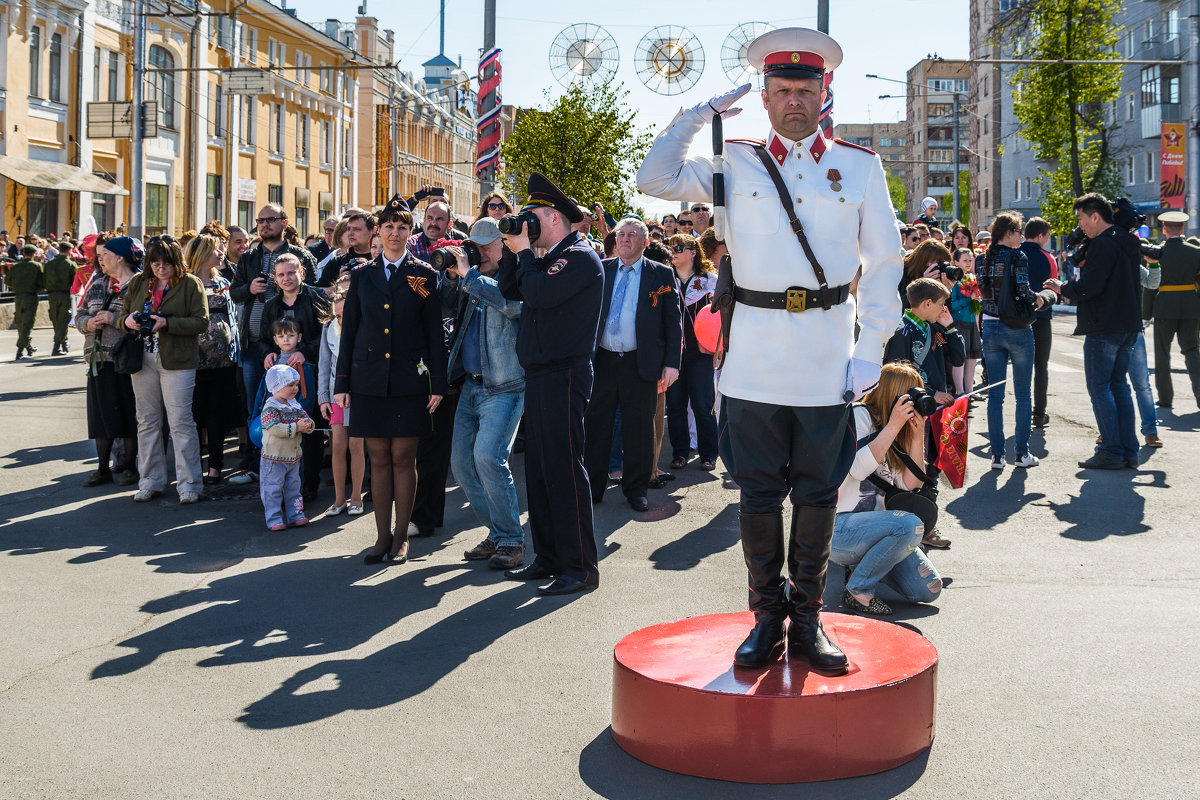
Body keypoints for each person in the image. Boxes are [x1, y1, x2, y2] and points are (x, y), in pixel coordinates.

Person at [637, 27, 902, 673]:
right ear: (763, 95)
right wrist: (698, 116)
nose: (793, 100)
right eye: (781, 90)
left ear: (823, 92)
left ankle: (808, 620)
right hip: (753, 359)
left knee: (817, 494)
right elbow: (656, 176)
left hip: (824, 359)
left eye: (804, 89)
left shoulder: (860, 166)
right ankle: (765, 618)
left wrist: (870, 350)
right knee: (756, 497)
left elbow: (886, 260)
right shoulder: (736, 163)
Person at [497, 172, 604, 595]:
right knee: (539, 472)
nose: (528, 225)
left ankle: (579, 567)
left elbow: (538, 294)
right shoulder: (543, 257)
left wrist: (525, 253)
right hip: (540, 376)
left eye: (533, 217)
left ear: (554, 218)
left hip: (564, 375)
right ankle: (548, 557)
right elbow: (511, 288)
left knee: (562, 470)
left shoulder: (578, 256)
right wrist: (513, 250)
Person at [334, 194, 447, 566]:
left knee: (403, 457)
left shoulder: (424, 274)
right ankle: (381, 537)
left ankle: (401, 538)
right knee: (377, 457)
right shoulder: (362, 275)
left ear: (409, 233)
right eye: (388, 227)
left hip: (409, 381)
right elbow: (349, 332)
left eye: (402, 228)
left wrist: (439, 384)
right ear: (377, 233)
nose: (395, 233)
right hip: (368, 380)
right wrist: (342, 383)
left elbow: (434, 335)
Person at [439, 218, 527, 570]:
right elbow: (445, 309)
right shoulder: (470, 276)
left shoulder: (518, 274)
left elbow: (511, 304)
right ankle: (497, 531)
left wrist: (468, 276)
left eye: (487, 245)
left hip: (505, 387)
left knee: (489, 459)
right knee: (462, 464)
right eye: (474, 245)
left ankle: (511, 540)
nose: (479, 251)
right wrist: (450, 278)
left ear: (504, 245)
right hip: (471, 385)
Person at [584, 218, 682, 513]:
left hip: (641, 362)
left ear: (645, 242)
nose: (625, 239)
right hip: (603, 360)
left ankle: (637, 489)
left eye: (632, 235)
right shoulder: (603, 268)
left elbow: (673, 323)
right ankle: (593, 487)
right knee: (596, 425)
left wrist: (671, 365)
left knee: (639, 429)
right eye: (621, 235)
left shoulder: (662, 274)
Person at [833, 362, 943, 615]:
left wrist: (917, 435)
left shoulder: (899, 430)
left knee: (929, 589)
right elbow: (857, 470)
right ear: (894, 396)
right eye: (912, 395)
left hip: (878, 531)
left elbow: (910, 485)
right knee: (910, 525)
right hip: (838, 529)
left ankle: (865, 567)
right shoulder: (859, 415)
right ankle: (858, 590)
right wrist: (893, 426)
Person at [1045, 193, 1144, 469]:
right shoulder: (1127, 241)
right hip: (1128, 325)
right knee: (1119, 387)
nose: (1081, 225)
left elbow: (1090, 287)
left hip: (1104, 326)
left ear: (1095, 216)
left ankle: (1111, 451)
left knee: (1100, 388)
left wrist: (1060, 288)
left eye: (1081, 218)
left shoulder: (1102, 245)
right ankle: (1128, 450)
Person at [228, 204, 317, 485]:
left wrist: (303, 350)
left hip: (297, 352)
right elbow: (234, 291)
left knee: (299, 409)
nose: (264, 224)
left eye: (270, 219)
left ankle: (300, 476)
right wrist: (248, 289)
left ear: (284, 222)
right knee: (259, 406)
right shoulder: (249, 256)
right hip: (260, 346)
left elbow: (310, 295)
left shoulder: (300, 255)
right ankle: (258, 465)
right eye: (260, 220)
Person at [121, 235, 209, 504]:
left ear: (176, 262)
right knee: (146, 421)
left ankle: (190, 484)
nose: (160, 268)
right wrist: (128, 321)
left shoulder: (190, 284)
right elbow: (123, 315)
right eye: (155, 263)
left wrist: (166, 324)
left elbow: (201, 322)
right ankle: (150, 480)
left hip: (177, 360)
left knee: (180, 422)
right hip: (142, 358)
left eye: (166, 263)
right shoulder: (138, 282)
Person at [978, 213, 1056, 470]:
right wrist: (1043, 296)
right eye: (1019, 231)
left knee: (995, 396)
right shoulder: (1018, 257)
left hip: (989, 327)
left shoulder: (982, 260)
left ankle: (997, 456)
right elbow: (1024, 293)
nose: (1021, 236)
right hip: (1016, 330)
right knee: (1023, 394)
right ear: (1009, 232)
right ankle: (1021, 454)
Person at [260, 254, 330, 501]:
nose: (286, 278)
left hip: (309, 371)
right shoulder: (271, 305)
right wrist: (268, 353)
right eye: (281, 275)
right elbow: (264, 339)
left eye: (291, 273)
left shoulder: (315, 297)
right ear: (275, 278)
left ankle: (309, 483)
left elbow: (325, 334)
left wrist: (303, 352)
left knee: (307, 424)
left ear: (301, 271)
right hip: (280, 376)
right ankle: (280, 482)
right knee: (280, 424)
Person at [75, 235, 140, 487]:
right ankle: (102, 468)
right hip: (97, 358)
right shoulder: (98, 282)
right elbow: (79, 314)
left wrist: (112, 318)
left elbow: (140, 317)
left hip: (123, 359)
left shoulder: (137, 284)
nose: (99, 259)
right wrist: (87, 323)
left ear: (120, 257)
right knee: (100, 418)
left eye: (104, 255)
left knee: (127, 415)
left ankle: (130, 467)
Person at [185, 234, 241, 485]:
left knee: (218, 413)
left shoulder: (223, 283)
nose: (221, 254)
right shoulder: (186, 283)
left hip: (223, 360)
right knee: (196, 414)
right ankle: (193, 467)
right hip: (194, 361)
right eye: (216, 250)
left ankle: (216, 467)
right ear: (202, 253)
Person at [665, 234, 719, 471]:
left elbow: (722, 316)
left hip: (701, 353)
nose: (673, 251)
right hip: (672, 353)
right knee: (675, 406)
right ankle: (680, 453)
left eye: (678, 247)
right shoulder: (664, 277)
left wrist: (719, 347)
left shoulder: (710, 280)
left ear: (693, 251)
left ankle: (709, 454)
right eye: (670, 247)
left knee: (702, 404)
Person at [1140, 210, 1200, 411]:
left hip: (1165, 306)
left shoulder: (1156, 252)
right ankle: (1199, 391)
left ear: (1164, 229)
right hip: (1191, 305)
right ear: (1182, 229)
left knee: (1162, 353)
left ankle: (1165, 398)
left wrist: (1145, 315)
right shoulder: (1196, 252)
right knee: (1192, 349)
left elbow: (1150, 286)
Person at [317, 283, 366, 517]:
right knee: (338, 446)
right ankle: (339, 499)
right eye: (337, 315)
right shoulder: (328, 329)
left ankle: (356, 496)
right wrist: (323, 399)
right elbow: (323, 365)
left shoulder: (365, 328)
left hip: (359, 396)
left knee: (357, 445)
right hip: (336, 396)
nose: (341, 320)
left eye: (346, 315)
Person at [884, 278, 964, 406]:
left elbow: (957, 359)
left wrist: (950, 328)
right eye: (941, 304)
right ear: (927, 304)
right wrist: (932, 394)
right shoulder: (901, 332)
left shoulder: (935, 329)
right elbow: (898, 376)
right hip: (913, 407)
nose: (943, 309)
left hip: (933, 406)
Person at [260, 364, 314, 530]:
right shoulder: (271, 407)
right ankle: (274, 518)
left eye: (296, 384)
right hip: (274, 458)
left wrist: (309, 424)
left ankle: (296, 515)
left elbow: (306, 420)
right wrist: (296, 427)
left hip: (293, 457)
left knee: (294, 489)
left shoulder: (295, 406)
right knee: (272, 489)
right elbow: (274, 428)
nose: (295, 388)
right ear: (276, 386)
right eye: (290, 385)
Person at [1019, 218, 1060, 427]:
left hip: (1018, 318)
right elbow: (1053, 287)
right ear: (1041, 236)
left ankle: (1021, 410)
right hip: (1042, 317)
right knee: (1040, 366)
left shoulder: (1016, 254)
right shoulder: (1048, 258)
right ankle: (1039, 412)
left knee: (1020, 366)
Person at [948, 247, 983, 395]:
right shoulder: (954, 281)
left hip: (971, 324)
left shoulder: (972, 278)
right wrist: (969, 297)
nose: (968, 263)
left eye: (970, 260)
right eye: (965, 260)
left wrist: (977, 301)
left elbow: (976, 306)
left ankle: (969, 391)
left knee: (972, 359)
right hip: (958, 323)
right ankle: (960, 391)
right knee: (959, 359)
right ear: (955, 262)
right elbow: (952, 305)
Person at [316, 211, 375, 287]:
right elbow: (318, 292)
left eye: (356, 229)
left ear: (373, 231)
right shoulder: (336, 262)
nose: (350, 233)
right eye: (348, 229)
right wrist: (340, 283)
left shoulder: (382, 261)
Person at [9, 245, 44, 359]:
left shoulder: (15, 267)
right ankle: (20, 350)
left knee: (20, 323)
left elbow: (8, 281)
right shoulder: (37, 266)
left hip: (18, 297)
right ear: (34, 253)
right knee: (27, 324)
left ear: (23, 253)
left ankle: (28, 347)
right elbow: (41, 283)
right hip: (31, 297)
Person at [44, 242, 76, 355]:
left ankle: (63, 343)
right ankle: (57, 346)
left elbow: (44, 279)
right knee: (63, 320)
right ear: (69, 251)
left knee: (56, 320)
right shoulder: (70, 265)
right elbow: (75, 283)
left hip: (51, 295)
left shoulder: (49, 264)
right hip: (65, 295)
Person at [900, 239, 953, 307]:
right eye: (938, 263)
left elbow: (943, 315)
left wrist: (945, 294)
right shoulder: (902, 272)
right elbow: (899, 307)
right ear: (922, 260)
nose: (940, 268)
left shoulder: (939, 278)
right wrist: (923, 285)